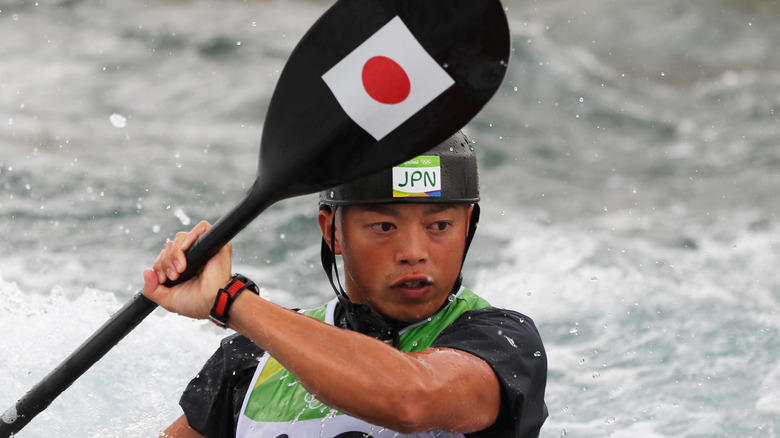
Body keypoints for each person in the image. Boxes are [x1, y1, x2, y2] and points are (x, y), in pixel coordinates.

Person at [142, 131, 548, 438]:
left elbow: (410, 399)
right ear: (332, 231)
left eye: (439, 225)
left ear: (468, 228)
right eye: (384, 226)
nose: (413, 252)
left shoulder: (502, 343)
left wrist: (230, 300)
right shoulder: (251, 357)